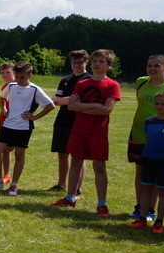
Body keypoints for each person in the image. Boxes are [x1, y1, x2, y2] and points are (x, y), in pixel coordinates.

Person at [51, 49, 122, 217]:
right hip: (79, 130)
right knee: (75, 163)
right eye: (95, 61)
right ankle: (70, 197)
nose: (97, 64)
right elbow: (71, 106)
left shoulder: (112, 85)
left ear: (109, 66)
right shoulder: (82, 84)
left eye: (101, 62)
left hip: (98, 132)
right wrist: (95, 107)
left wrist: (86, 107)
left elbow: (106, 110)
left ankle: (101, 205)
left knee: (99, 167)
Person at [0, 61, 54, 196]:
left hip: (23, 127)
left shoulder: (35, 90)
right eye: (18, 76)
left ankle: (13, 185)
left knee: (19, 155)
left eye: (23, 77)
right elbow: (1, 97)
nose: (19, 80)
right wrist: (4, 109)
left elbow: (50, 105)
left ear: (30, 75)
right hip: (8, 125)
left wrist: (35, 116)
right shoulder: (11, 86)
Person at [127, 54, 164, 220]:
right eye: (149, 65)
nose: (152, 69)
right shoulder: (141, 82)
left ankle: (151, 210)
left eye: (157, 66)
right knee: (141, 173)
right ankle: (140, 207)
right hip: (139, 134)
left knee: (156, 176)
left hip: (162, 141)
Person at [127, 91, 164, 234]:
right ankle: (142, 218)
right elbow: (149, 139)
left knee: (162, 191)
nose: (160, 106)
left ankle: (159, 222)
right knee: (145, 189)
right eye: (157, 104)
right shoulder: (149, 121)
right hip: (148, 159)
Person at [49, 50, 90, 193]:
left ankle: (77, 189)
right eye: (74, 62)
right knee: (62, 153)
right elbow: (55, 100)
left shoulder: (88, 80)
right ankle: (61, 184)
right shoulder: (65, 80)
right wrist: (68, 100)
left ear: (86, 62)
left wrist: (66, 100)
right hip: (62, 121)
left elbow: (79, 100)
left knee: (78, 157)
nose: (76, 65)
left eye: (79, 62)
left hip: (78, 122)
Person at [0, 62, 15, 184]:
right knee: (4, 149)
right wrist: (3, 109)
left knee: (12, 148)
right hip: (4, 120)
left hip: (16, 122)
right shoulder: (4, 87)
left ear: (14, 72)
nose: (5, 75)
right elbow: (1, 99)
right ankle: (6, 175)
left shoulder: (18, 85)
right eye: (3, 72)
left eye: (8, 72)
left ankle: (9, 176)